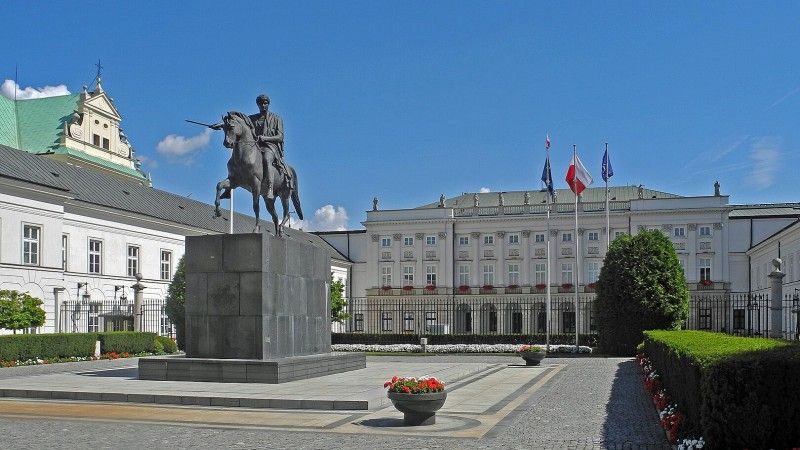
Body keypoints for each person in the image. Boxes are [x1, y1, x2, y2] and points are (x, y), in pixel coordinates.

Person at [213, 94, 290, 199]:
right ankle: (229, 188)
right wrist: (221, 125)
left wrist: (265, 138)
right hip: (254, 146)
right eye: (261, 103)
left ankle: (270, 188)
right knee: (233, 161)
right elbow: (235, 125)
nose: (263, 105)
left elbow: (280, 137)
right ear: (257, 104)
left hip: (269, 146)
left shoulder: (277, 119)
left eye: (265, 103)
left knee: (267, 159)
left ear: (268, 104)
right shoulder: (251, 118)